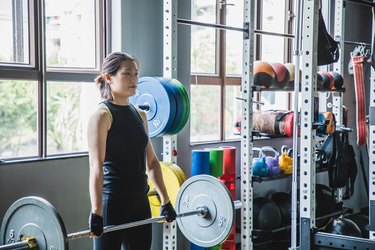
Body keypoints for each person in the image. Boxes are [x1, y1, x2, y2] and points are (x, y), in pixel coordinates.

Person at [87, 52, 177, 250]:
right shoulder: (102, 115)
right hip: (112, 204)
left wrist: (166, 201)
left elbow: (152, 163)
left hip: (139, 203)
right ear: (109, 78)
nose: (134, 80)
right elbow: (96, 167)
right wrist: (97, 212)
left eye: (136, 74)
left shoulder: (140, 115)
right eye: (127, 74)